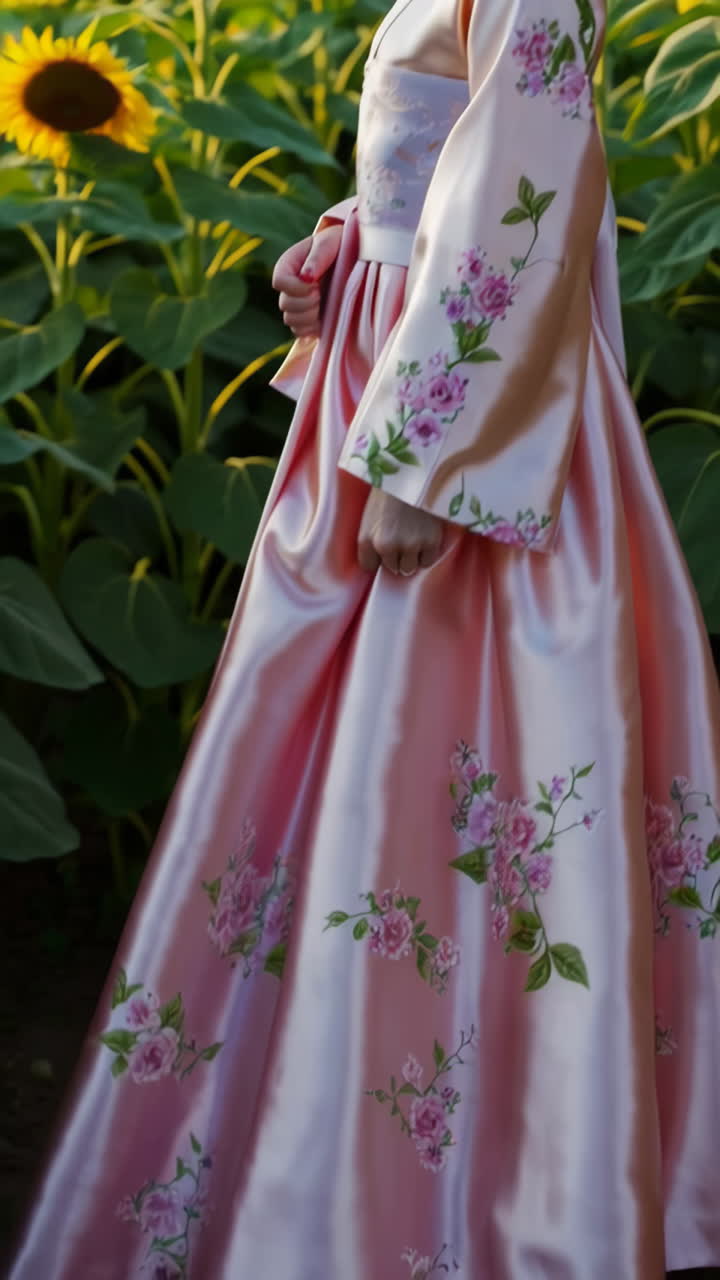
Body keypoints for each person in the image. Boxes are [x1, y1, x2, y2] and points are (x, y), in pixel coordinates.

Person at [8, 0, 720, 1276]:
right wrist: (345, 240)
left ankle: (469, 1189)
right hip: (398, 370)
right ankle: (324, 1148)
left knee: (436, 754)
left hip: (455, 426)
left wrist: (425, 464)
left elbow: (531, 180)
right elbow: (437, 155)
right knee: (357, 774)